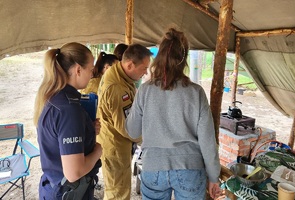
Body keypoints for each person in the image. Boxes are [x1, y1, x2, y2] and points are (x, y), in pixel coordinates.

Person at [125, 28, 222, 200]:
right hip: (190, 169)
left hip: (153, 168)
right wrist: (214, 177)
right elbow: (208, 140)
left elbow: (132, 131)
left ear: (159, 56)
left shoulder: (145, 91)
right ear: (183, 60)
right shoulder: (196, 92)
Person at [33, 42, 102, 200]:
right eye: (91, 69)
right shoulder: (69, 109)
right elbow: (74, 172)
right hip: (68, 192)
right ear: (78, 70)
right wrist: (98, 151)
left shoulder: (54, 97)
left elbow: (57, 137)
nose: (92, 75)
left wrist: (87, 131)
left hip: (53, 187)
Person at [96, 43, 152, 200]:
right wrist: (147, 141)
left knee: (117, 190)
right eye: (143, 68)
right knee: (118, 194)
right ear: (130, 64)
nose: (145, 72)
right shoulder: (117, 88)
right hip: (115, 147)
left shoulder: (118, 74)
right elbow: (126, 128)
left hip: (116, 143)